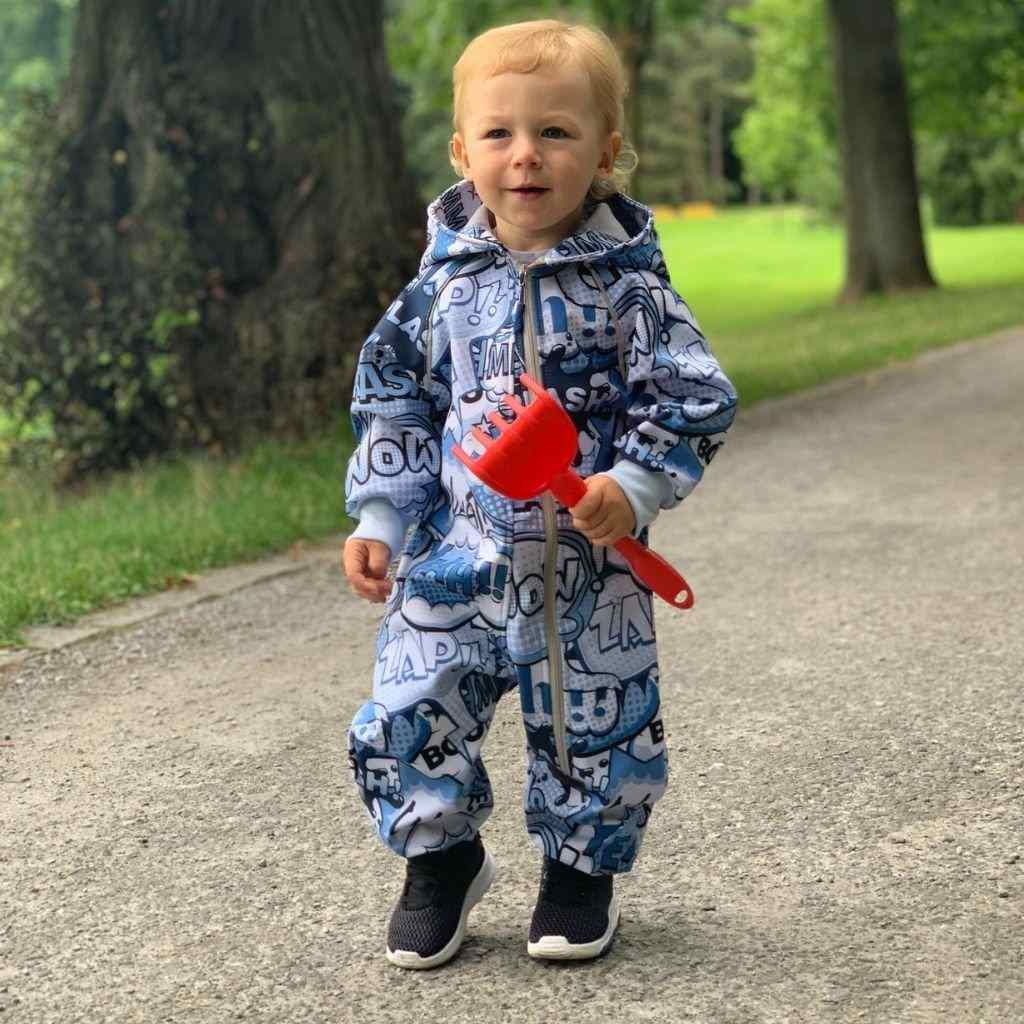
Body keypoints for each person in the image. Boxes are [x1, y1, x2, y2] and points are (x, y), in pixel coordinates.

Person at [342, 18, 737, 969]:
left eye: (555, 132)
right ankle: (440, 859)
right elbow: (394, 399)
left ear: (604, 154)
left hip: (587, 566)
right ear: (462, 152)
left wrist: (632, 485)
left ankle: (577, 870)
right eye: (500, 133)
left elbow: (691, 395)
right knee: (411, 706)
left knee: (593, 722)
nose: (525, 155)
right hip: (451, 556)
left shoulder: (630, 290)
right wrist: (382, 516)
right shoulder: (437, 290)